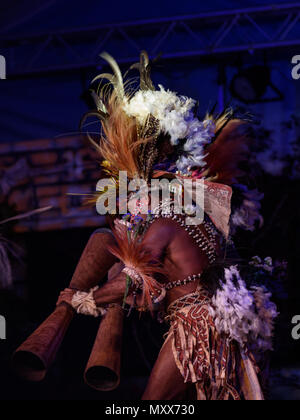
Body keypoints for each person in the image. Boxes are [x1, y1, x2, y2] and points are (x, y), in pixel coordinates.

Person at [57, 51, 277, 400]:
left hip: (196, 325)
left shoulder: (165, 221)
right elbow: (154, 289)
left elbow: (134, 280)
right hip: (219, 322)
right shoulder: (198, 219)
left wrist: (84, 299)